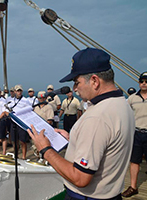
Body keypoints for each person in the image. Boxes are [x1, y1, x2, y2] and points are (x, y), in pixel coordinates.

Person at [28, 48, 135, 200]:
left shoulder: (97, 117)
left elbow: (80, 178)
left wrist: (45, 149)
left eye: (77, 82)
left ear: (94, 81)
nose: (75, 89)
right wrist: (73, 139)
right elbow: (106, 144)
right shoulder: (123, 105)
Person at [122, 71, 147, 197]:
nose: (144, 83)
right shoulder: (132, 99)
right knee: (134, 161)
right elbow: (125, 115)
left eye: (146, 82)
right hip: (136, 133)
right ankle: (133, 187)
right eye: (142, 81)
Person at [9, 84, 32, 160]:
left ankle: (24, 156)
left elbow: (30, 110)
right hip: (13, 122)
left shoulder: (26, 101)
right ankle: (16, 155)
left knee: (23, 141)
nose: (19, 92)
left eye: (20, 91)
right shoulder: (11, 100)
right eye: (17, 91)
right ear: (15, 91)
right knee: (14, 141)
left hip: (22, 122)